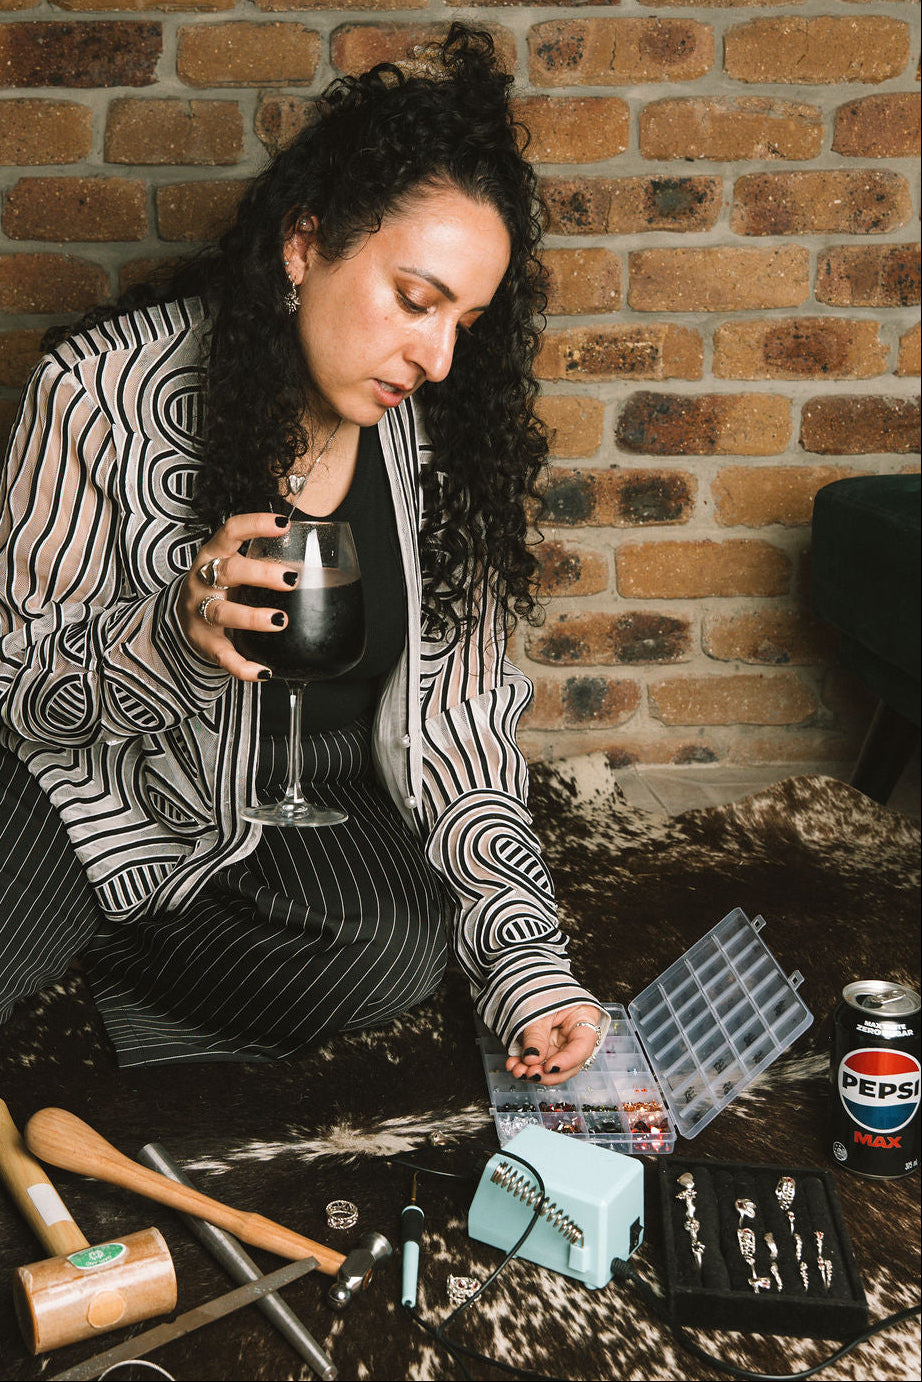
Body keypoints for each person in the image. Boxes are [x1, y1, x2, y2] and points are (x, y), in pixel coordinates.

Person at [0, 26, 607, 1080]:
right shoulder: (98, 389)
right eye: (416, 301)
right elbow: (15, 686)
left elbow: (460, 724)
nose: (437, 354)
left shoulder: (439, 437)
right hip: (97, 788)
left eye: (465, 320)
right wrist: (168, 635)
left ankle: (104, 935)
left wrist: (527, 965)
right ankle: (92, 912)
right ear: (304, 243)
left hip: (314, 792)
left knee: (391, 953)